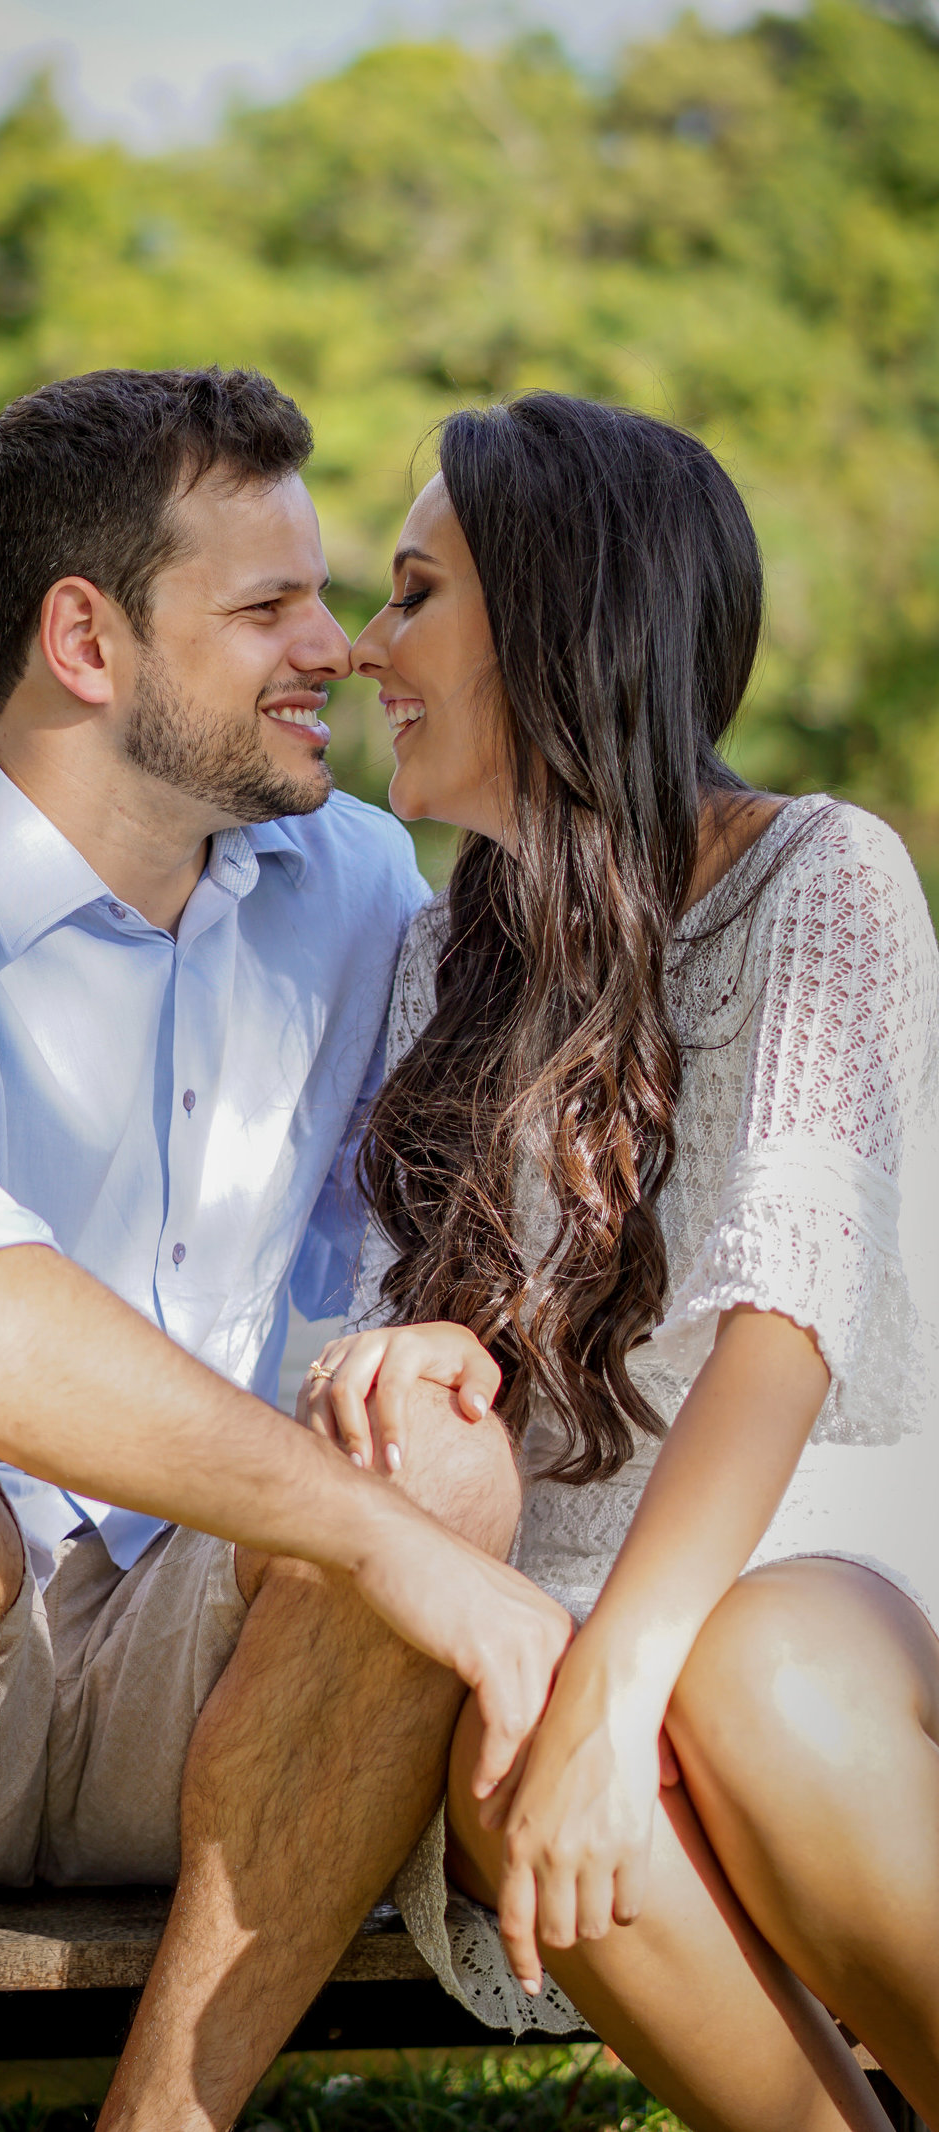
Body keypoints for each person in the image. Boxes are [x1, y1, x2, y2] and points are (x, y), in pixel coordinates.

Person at [0, 367, 575, 2132]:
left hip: (206, 1700)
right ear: (87, 643)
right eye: (268, 604)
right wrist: (390, 1550)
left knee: (436, 1446)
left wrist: (421, 1393)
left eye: (331, 594)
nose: (338, 647)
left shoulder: (360, 881)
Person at [303, 391, 939, 2132]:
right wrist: (393, 1358)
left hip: (816, 1584)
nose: (367, 647)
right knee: (521, 1738)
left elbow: (782, 1317)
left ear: (561, 622)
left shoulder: (826, 877)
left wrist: (627, 1684)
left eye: (415, 593)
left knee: (760, 1678)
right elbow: (400, 1321)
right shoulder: (452, 955)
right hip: (578, 1606)